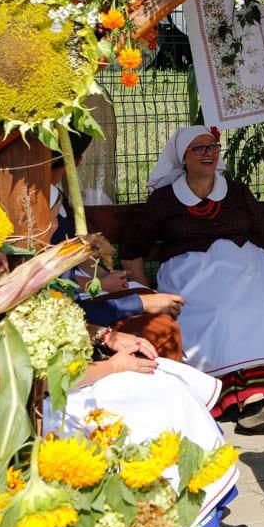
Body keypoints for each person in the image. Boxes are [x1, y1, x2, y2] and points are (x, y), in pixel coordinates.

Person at [120, 126, 264, 432]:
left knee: (262, 304)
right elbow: (130, 249)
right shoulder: (165, 199)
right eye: (199, 148)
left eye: (213, 147)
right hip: (192, 275)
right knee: (222, 312)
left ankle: (258, 394)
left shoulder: (237, 191)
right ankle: (244, 397)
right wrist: (146, 295)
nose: (208, 153)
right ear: (183, 157)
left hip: (245, 268)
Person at [45, 327, 247, 527]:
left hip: (79, 378)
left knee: (164, 379)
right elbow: (46, 380)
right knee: (154, 404)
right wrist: (112, 366)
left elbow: (68, 321)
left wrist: (104, 335)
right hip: (51, 404)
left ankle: (205, 511)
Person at [48, 140, 186, 361]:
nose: (54, 224)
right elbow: (57, 286)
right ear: (76, 161)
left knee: (162, 311)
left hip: (79, 296)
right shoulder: (37, 211)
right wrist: (102, 285)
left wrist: (104, 276)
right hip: (72, 306)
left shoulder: (56, 196)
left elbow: (74, 251)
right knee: (160, 327)